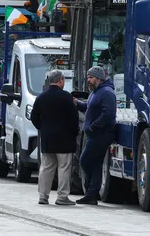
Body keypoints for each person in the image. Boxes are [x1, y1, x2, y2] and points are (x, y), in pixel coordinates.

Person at [31, 69, 79, 206]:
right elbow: (74, 118)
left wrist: (43, 128)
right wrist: (73, 132)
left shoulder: (41, 97)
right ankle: (62, 197)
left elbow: (34, 117)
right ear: (61, 80)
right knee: (64, 168)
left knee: (46, 167)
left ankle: (43, 196)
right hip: (65, 139)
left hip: (47, 139)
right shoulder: (67, 97)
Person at [74, 66, 116, 205]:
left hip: (101, 135)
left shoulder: (107, 93)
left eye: (90, 77)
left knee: (85, 160)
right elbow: (88, 107)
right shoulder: (95, 92)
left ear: (99, 78)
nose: (88, 80)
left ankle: (91, 191)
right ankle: (92, 193)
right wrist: (77, 103)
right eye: (87, 77)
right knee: (96, 163)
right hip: (94, 134)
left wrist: (93, 127)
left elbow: (108, 114)